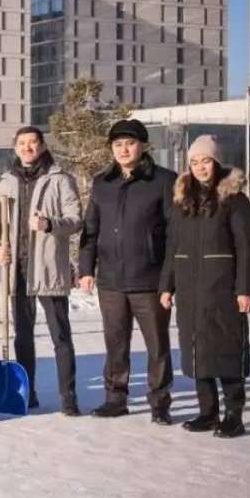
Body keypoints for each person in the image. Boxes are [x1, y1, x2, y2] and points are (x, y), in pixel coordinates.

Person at [78, 119, 176, 425]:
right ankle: (115, 398)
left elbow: (175, 234)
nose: (124, 149)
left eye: (130, 143)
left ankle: (160, 403)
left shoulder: (164, 180)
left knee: (157, 345)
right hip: (111, 280)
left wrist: (169, 280)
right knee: (115, 343)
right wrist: (86, 268)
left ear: (143, 146)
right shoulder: (101, 183)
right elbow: (90, 231)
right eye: (117, 144)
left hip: (150, 279)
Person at [160, 136, 250, 438]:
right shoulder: (182, 201)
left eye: (206, 160)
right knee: (196, 351)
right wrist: (167, 286)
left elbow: (246, 248)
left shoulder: (234, 199)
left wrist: (245, 289)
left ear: (216, 161)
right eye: (194, 162)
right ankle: (208, 412)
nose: (200, 167)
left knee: (225, 350)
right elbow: (172, 247)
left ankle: (234, 415)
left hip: (222, 289)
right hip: (189, 290)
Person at [0, 126, 84, 415]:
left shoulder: (60, 179)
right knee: (23, 335)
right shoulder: (6, 181)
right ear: (15, 147)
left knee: (60, 335)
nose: (28, 148)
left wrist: (49, 224)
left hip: (47, 267)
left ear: (43, 146)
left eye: (33, 143)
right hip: (17, 268)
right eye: (22, 143)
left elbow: (76, 219)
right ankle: (26, 393)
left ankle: (68, 397)